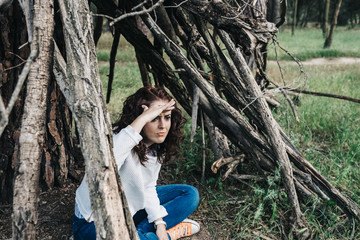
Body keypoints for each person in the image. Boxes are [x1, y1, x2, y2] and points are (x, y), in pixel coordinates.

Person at [72, 87, 200, 240]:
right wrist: (143, 118)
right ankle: (167, 235)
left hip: (128, 212)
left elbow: (147, 187)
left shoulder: (156, 146)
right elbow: (107, 164)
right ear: (140, 117)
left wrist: (160, 224)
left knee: (189, 194)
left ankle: (146, 233)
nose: (163, 126)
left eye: (167, 117)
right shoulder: (118, 139)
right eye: (154, 118)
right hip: (93, 223)